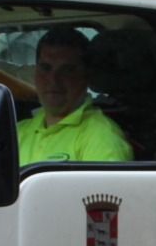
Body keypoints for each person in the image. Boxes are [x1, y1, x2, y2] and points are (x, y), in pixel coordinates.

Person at [17, 28, 132, 166]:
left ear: (86, 76)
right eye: (46, 68)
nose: (53, 80)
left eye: (67, 70)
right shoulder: (18, 131)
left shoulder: (101, 137)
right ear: (35, 72)